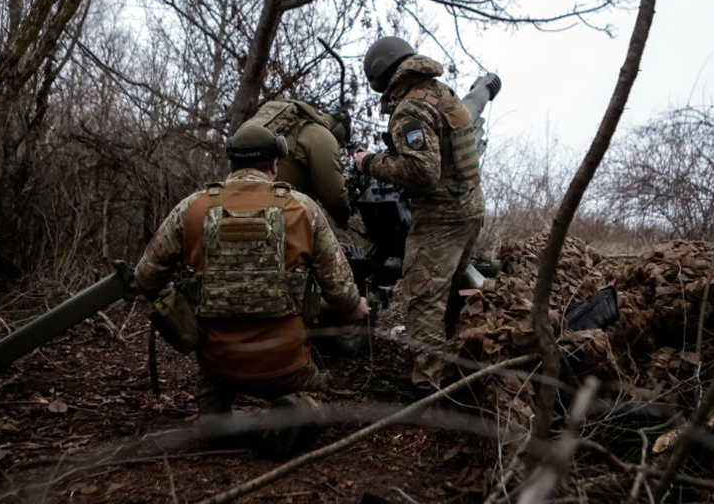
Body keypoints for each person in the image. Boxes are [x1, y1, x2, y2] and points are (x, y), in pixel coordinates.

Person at [135, 121, 369, 418]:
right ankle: (298, 408)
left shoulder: (191, 208)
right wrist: (355, 305)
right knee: (315, 392)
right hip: (285, 364)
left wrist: (179, 302)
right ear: (274, 164)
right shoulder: (302, 208)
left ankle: (213, 408)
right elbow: (341, 291)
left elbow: (145, 279)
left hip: (217, 363)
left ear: (231, 163)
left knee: (212, 381)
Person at [354, 36, 496, 393]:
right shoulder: (441, 93)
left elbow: (423, 171)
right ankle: (455, 367)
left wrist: (369, 162)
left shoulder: (410, 109)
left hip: (440, 217)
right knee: (449, 293)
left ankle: (429, 386)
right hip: (469, 209)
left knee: (423, 300)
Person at [249, 99, 353, 229]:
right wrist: (344, 219)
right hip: (277, 216)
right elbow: (334, 196)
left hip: (239, 204)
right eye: (341, 145)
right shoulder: (321, 135)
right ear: (339, 133)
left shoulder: (291, 126)